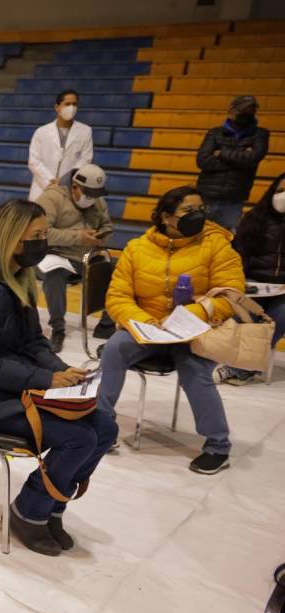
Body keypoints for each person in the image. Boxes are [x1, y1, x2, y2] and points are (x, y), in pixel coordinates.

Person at [0, 199, 117, 556]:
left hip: (7, 388)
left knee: (106, 427)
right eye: (37, 236)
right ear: (13, 237)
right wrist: (45, 380)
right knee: (78, 437)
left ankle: (52, 504)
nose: (43, 243)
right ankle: (29, 511)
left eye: (45, 234)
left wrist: (59, 370)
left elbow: (33, 341)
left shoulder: (15, 274)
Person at [100, 186, 243, 474]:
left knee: (195, 370)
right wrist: (147, 323)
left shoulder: (216, 244)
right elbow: (118, 297)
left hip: (195, 331)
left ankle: (218, 445)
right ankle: (101, 426)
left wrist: (189, 314)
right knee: (114, 348)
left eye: (201, 209)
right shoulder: (137, 248)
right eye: (189, 211)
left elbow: (230, 294)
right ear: (167, 217)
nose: (199, 215)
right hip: (148, 328)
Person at [35, 164, 117, 351]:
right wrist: (79, 236)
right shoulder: (51, 198)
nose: (92, 199)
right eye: (88, 194)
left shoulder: (98, 201)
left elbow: (107, 226)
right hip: (56, 254)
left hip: (87, 256)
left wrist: (102, 235)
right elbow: (43, 233)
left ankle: (106, 324)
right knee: (54, 275)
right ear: (74, 187)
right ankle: (58, 328)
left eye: (95, 195)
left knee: (118, 269)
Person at [216, 174, 285, 385]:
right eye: (280, 190)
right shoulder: (254, 219)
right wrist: (239, 281)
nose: (283, 196)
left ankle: (242, 369)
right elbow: (236, 255)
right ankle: (231, 362)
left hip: (282, 291)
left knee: (277, 319)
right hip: (251, 284)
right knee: (242, 317)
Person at [196, 95, 271, 231]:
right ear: (231, 110)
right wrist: (241, 160)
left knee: (225, 239)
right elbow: (202, 161)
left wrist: (221, 153)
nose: (247, 114)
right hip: (206, 196)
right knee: (195, 235)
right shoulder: (215, 133)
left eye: (251, 110)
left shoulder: (261, 134)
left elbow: (252, 159)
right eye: (243, 110)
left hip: (234, 199)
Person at [27, 89, 93, 201]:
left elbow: (85, 160)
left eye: (74, 104)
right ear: (57, 107)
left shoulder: (85, 131)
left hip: (68, 188)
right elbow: (33, 161)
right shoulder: (41, 131)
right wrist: (51, 181)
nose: (71, 107)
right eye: (67, 104)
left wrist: (64, 181)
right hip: (42, 187)